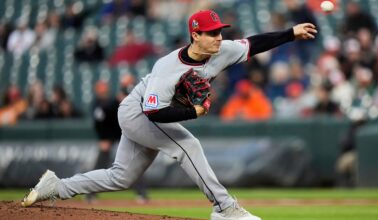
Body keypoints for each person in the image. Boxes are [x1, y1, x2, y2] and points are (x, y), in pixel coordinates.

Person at [21, 9, 317, 220]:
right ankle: (225, 208)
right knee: (188, 145)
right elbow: (153, 113)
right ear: (195, 35)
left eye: (219, 32)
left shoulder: (222, 50)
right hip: (139, 112)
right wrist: (193, 111)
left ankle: (56, 187)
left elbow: (255, 43)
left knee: (121, 177)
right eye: (211, 33)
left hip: (153, 113)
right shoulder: (167, 67)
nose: (218, 37)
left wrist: (290, 33)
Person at [87, 79, 149, 203]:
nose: (126, 97)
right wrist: (103, 138)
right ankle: (90, 194)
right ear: (120, 95)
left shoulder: (135, 104)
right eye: (125, 95)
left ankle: (141, 193)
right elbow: (99, 122)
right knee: (100, 164)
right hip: (109, 136)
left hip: (125, 135)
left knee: (135, 163)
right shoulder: (109, 105)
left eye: (129, 95)